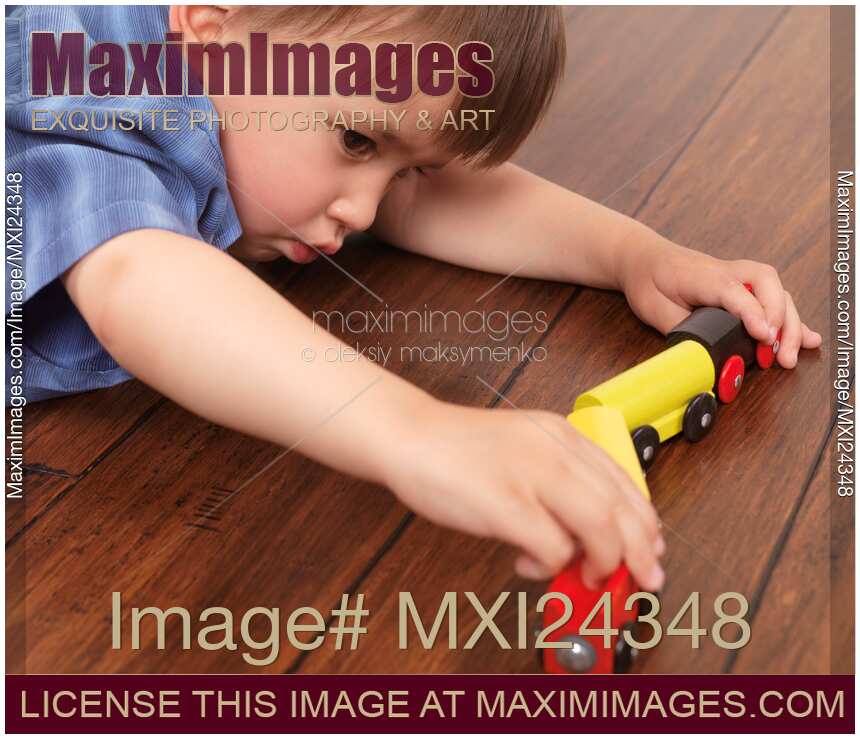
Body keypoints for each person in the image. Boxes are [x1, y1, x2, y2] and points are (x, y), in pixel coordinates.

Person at [5, 5, 821, 594]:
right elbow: (136, 275)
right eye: (355, 140)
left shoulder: (255, 73)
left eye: (400, 165)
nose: (364, 210)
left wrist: (635, 254)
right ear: (213, 32)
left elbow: (421, 200)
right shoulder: (70, 73)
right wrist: (419, 431)